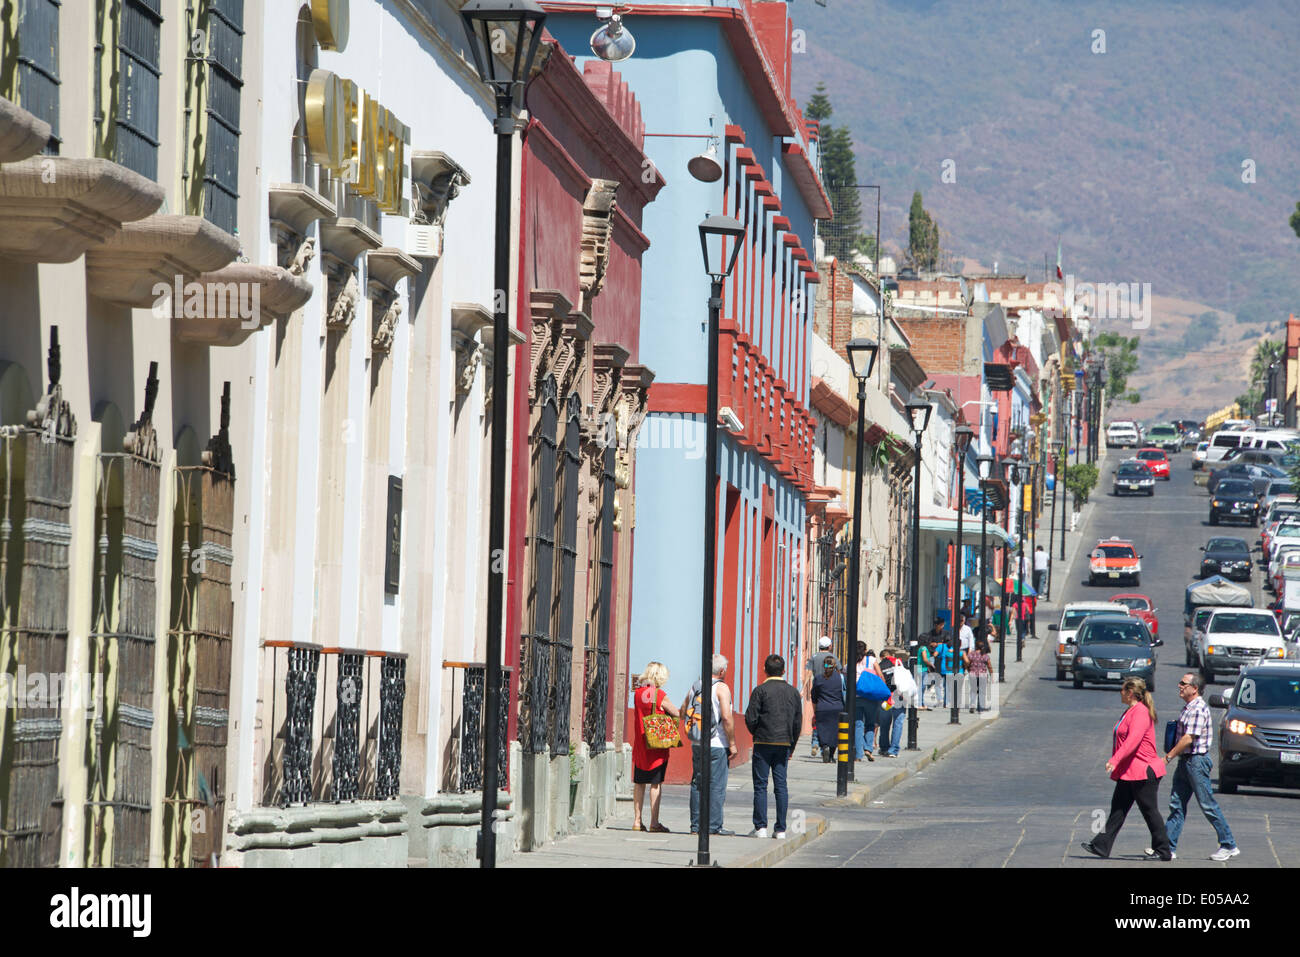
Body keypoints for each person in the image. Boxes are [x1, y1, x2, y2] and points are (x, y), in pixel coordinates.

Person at [1081, 678, 1172, 860]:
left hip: (1143, 771)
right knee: (1118, 809)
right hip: (1130, 771)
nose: (1120, 693)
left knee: (1149, 810)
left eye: (1122, 690)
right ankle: (1101, 845)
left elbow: (1132, 741)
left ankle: (1163, 850)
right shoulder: (1131, 710)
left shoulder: (1140, 712)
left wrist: (1114, 760)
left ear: (1130, 692)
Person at [1157, 673, 1239, 861]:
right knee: (1176, 804)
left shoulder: (1197, 709)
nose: (1179, 686)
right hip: (1186, 761)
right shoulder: (1188, 707)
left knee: (1207, 804)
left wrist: (1168, 757)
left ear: (1194, 688)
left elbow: (1188, 738)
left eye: (1183, 683)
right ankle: (1168, 847)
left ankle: (1228, 844)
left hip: (1196, 762)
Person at [745, 654, 803, 839]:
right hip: (783, 742)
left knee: (760, 785)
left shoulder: (760, 690)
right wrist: (792, 745)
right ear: (784, 671)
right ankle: (781, 829)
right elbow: (797, 722)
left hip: (763, 742)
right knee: (781, 785)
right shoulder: (793, 692)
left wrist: (757, 732)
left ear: (765, 669)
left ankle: (760, 827)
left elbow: (750, 717)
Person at [683, 654, 737, 836]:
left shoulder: (696, 686)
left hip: (697, 742)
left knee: (697, 783)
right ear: (722, 671)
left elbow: (684, 710)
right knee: (716, 785)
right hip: (717, 743)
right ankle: (714, 825)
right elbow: (727, 718)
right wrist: (732, 743)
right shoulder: (722, 688)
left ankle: (696, 826)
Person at [631, 662, 680, 833]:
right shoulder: (660, 695)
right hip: (656, 745)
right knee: (655, 784)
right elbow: (676, 712)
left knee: (639, 783)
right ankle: (654, 822)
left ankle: (637, 821)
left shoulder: (637, 694)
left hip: (640, 744)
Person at [810, 655, 846, 763]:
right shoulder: (840, 678)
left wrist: (815, 710)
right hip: (837, 708)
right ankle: (831, 755)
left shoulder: (819, 678)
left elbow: (814, 696)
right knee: (835, 732)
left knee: (822, 730)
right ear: (835, 666)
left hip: (822, 708)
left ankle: (824, 746)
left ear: (824, 666)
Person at [804, 636, 834, 757]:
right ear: (830, 646)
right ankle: (824, 746)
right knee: (829, 721)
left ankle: (815, 742)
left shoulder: (814, 657)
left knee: (818, 718)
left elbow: (808, 673)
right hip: (830, 692)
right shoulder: (832, 658)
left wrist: (803, 688)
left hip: (817, 689)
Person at [876, 646, 908, 756]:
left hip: (887, 699)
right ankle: (893, 750)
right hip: (899, 697)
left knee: (885, 723)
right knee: (898, 723)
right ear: (891, 655)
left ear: (882, 657)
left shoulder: (880, 666)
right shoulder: (900, 663)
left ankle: (884, 748)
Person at [855, 641, 883, 761]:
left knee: (858, 724)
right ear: (865, 650)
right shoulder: (871, 660)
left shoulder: (851, 661)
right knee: (871, 724)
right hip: (871, 696)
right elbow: (880, 675)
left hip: (857, 696)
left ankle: (858, 754)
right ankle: (868, 748)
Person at [964, 636, 993, 713]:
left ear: (976, 646)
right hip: (982, 675)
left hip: (973, 674)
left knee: (973, 690)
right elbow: (989, 666)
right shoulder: (985, 656)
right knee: (982, 691)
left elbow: (967, 662)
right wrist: (991, 674)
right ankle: (980, 707)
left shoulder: (971, 654)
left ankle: (972, 705)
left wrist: (967, 669)